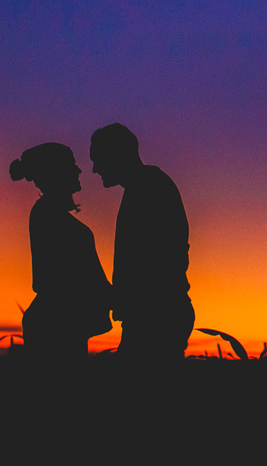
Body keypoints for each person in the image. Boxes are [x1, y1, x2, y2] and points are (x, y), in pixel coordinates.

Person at [89, 123, 193, 360]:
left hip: (157, 317)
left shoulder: (150, 188)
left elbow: (159, 259)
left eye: (98, 159)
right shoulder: (144, 186)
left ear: (117, 154)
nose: (94, 169)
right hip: (155, 314)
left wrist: (128, 298)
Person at [10, 142, 112, 361]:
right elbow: (61, 278)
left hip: (61, 323)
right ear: (55, 172)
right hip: (57, 326)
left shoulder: (49, 213)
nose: (78, 170)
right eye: (71, 165)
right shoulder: (47, 214)